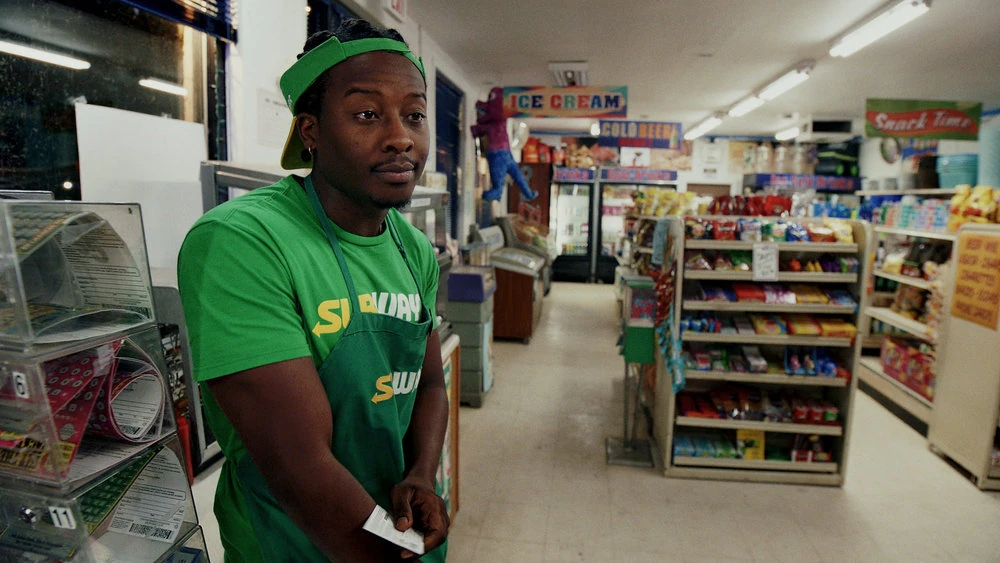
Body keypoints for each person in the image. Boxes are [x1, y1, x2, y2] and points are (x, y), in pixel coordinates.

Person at [177, 18, 449, 562]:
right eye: (367, 114)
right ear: (311, 132)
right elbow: (298, 466)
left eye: (414, 115)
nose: (401, 136)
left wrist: (421, 473)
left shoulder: (412, 249)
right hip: (289, 545)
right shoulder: (242, 242)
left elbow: (429, 385)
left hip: (396, 534)